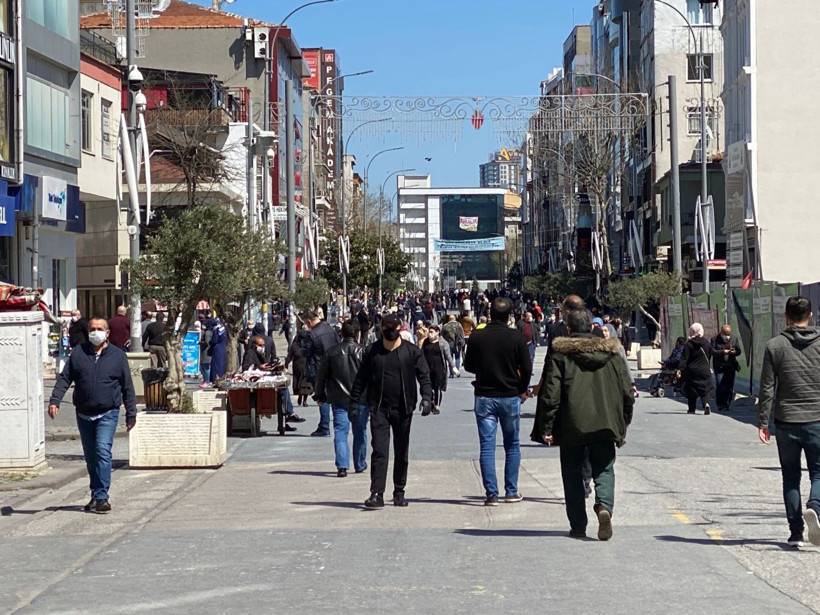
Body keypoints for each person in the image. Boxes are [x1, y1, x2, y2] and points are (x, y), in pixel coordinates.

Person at [535, 309, 634, 540]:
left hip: (572, 424)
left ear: (569, 329)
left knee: (572, 473)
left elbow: (551, 393)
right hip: (606, 423)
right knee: (604, 468)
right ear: (592, 327)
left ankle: (578, 525)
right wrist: (623, 423)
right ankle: (604, 506)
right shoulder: (611, 354)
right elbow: (627, 391)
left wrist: (547, 427)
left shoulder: (561, 355)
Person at [48, 317, 137, 514]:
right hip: (84, 413)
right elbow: (65, 378)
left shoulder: (118, 356)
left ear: (107, 333)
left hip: (108, 412)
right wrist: (55, 400)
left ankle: (102, 496)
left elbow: (127, 387)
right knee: (91, 457)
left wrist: (131, 414)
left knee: (102, 451)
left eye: (100, 329)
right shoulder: (79, 353)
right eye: (92, 329)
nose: (95, 332)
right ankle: (96, 493)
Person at [349, 314, 433, 508]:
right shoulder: (372, 351)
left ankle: (399, 491)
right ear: (381, 328)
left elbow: (424, 376)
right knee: (379, 451)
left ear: (400, 328)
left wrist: (427, 398)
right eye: (386, 327)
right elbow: (360, 380)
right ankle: (376, 493)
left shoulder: (411, 352)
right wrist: (354, 404)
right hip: (379, 409)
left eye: (394, 326)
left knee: (401, 451)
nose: (390, 330)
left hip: (404, 408)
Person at [758, 296, 820, 548]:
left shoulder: (775, 346)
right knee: (818, 472)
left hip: (786, 421)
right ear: (811, 315)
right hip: (817, 418)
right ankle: (814, 505)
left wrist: (763, 422)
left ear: (786, 316)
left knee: (790, 476)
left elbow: (767, 388)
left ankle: (796, 532)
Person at [463, 297, 533, 506]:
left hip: (484, 395)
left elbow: (468, 366)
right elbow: (527, 368)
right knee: (512, 445)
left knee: (487, 446)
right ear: (509, 315)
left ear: (490, 313)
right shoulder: (516, 337)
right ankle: (511, 491)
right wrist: (522, 388)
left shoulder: (478, 336)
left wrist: (485, 370)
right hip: (510, 395)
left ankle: (491, 494)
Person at [314, 321, 368, 477]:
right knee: (360, 431)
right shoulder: (364, 352)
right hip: (360, 399)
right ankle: (359, 463)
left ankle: (342, 466)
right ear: (357, 333)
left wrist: (320, 395)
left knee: (340, 431)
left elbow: (321, 376)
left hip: (338, 398)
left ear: (341, 334)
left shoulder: (332, 352)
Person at [677, 323, 714, 415]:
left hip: (692, 371)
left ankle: (691, 409)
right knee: (705, 389)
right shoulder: (706, 342)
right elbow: (713, 352)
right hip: (705, 370)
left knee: (692, 390)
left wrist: (679, 369)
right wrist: (724, 352)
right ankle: (706, 404)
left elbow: (684, 358)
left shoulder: (689, 344)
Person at [421, 324, 455, 415]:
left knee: (437, 387)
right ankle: (431, 401)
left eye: (431, 332)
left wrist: (453, 367)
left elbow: (448, 356)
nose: (430, 334)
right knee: (426, 387)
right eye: (429, 332)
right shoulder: (426, 342)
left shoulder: (443, 343)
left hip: (438, 368)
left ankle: (437, 405)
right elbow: (421, 353)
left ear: (437, 332)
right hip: (427, 368)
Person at [711, 324, 742, 412]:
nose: (727, 336)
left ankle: (727, 403)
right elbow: (712, 351)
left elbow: (739, 351)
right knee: (720, 385)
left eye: (729, 334)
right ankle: (720, 404)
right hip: (719, 366)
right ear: (721, 332)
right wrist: (722, 352)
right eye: (725, 334)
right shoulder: (714, 339)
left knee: (729, 387)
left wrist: (734, 352)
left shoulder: (734, 339)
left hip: (730, 366)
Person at [286, 326, 314, 407]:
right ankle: (300, 396)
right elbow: (290, 355)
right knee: (298, 383)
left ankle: (304, 400)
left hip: (307, 366)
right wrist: (286, 364)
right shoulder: (295, 345)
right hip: (297, 366)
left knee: (306, 384)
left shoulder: (309, 344)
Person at [207, 318, 228, 385]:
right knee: (221, 365)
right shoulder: (224, 329)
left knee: (216, 366)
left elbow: (214, 340)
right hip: (223, 348)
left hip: (217, 349)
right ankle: (221, 378)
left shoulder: (217, 329)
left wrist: (210, 342)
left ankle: (215, 379)